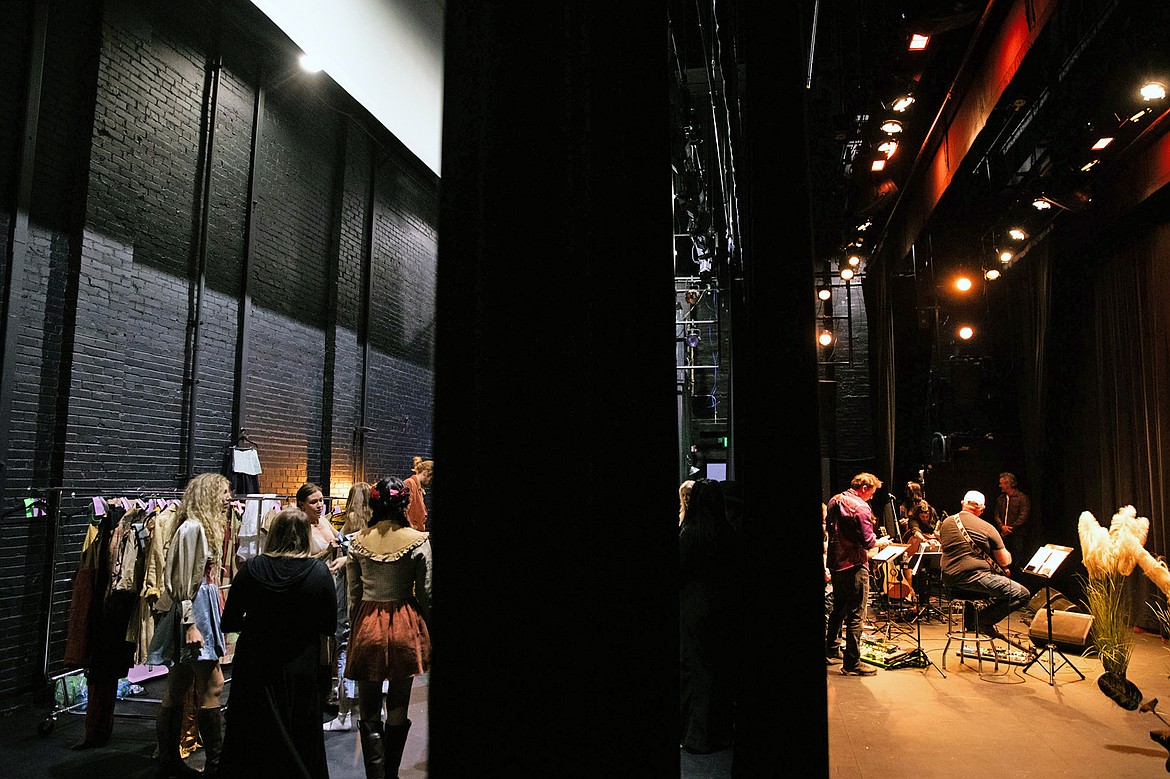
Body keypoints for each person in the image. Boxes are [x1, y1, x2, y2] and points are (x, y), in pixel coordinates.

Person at [218, 507, 337, 779]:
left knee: (253, 732)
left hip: (255, 664)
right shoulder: (318, 573)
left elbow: (230, 622)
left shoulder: (251, 570)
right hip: (300, 665)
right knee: (299, 732)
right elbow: (328, 626)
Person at [345, 475, 432, 779]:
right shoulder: (418, 540)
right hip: (404, 623)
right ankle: (391, 774)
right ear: (404, 503)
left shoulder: (357, 541)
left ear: (374, 502)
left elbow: (353, 595)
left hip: (368, 623)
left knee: (368, 707)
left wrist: (354, 627)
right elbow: (426, 592)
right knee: (398, 703)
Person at [146, 473, 232, 778]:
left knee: (180, 684)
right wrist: (190, 624)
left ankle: (169, 760)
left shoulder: (199, 528)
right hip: (193, 610)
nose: (228, 498)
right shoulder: (192, 528)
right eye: (223, 492)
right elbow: (180, 582)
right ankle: (215, 766)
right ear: (208, 495)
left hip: (199, 607)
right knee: (213, 684)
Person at [679, 478, 738, 754]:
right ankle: (720, 733)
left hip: (693, 609)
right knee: (719, 671)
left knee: (697, 671)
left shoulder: (689, 533)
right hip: (723, 609)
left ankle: (696, 737)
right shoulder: (728, 533)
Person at [938, 490, 1031, 638]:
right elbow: (1004, 561)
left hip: (948, 579)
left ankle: (975, 620)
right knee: (1022, 594)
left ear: (963, 504)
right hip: (973, 577)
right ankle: (982, 621)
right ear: (982, 509)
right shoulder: (987, 527)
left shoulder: (946, 523)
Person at [824, 472, 891, 676]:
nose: (871, 497)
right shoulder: (861, 507)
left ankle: (831, 651)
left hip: (836, 563)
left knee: (838, 609)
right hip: (854, 565)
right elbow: (868, 542)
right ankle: (852, 663)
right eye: (871, 493)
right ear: (864, 488)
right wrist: (882, 542)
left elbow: (829, 528)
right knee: (856, 614)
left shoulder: (834, 500)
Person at [322, 482, 372, 732]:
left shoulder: (350, 520)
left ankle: (344, 712)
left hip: (347, 590)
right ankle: (372, 707)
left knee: (343, 646)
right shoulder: (375, 526)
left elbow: (342, 546)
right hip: (368, 592)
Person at [993, 472, 1031, 579]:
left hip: (1018, 535)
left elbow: (1023, 516)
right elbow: (996, 514)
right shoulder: (1001, 499)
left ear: (1008, 484)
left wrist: (1011, 528)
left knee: (1017, 561)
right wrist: (1002, 527)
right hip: (1003, 535)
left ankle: (1018, 583)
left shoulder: (1022, 498)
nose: (1000, 486)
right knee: (1003, 561)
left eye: (1002, 483)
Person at [402, 457, 433, 531]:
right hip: (411, 535)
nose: (430, 482)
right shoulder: (410, 483)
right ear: (425, 473)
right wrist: (411, 527)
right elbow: (404, 510)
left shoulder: (418, 487)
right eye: (431, 478)